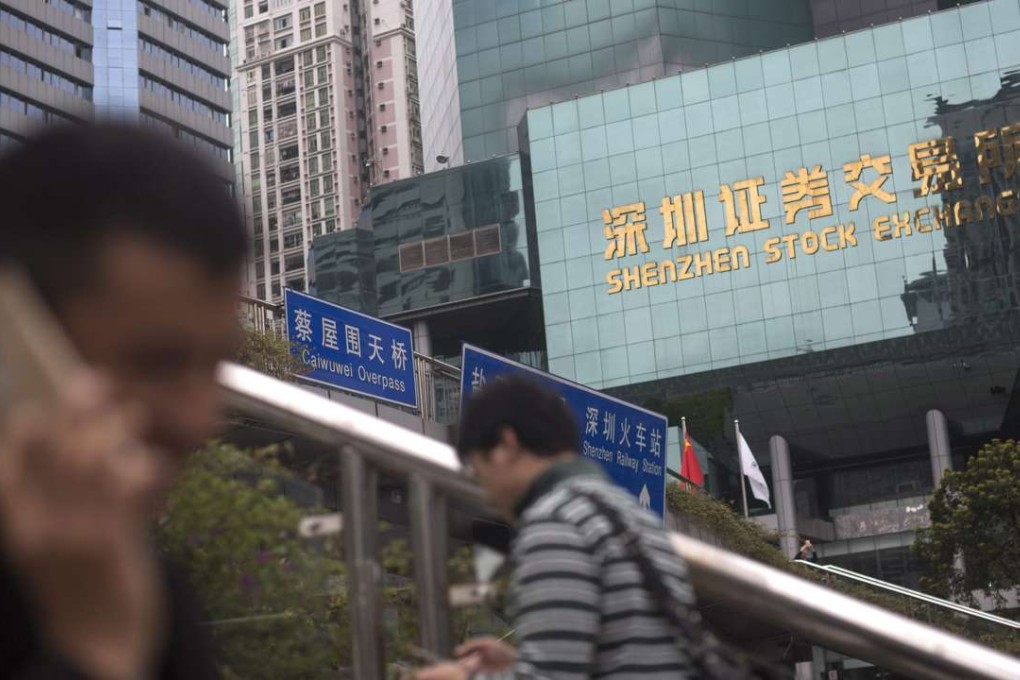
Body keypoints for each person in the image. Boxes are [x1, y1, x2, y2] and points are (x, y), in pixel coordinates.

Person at [0, 123, 247, 679]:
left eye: (213, 367)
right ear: (14, 344)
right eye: (157, 364)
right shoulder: (109, 601)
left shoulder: (140, 581)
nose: (200, 420)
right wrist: (94, 653)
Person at [416, 376, 700, 679]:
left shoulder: (554, 522)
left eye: (477, 469)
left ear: (507, 445)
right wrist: (517, 663)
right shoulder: (635, 517)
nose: (484, 491)